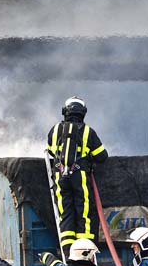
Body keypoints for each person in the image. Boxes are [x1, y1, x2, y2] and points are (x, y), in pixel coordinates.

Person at [46, 96, 109, 249]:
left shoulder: (54, 130)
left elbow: (51, 152)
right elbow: (102, 156)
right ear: (83, 113)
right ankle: (85, 248)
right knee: (84, 211)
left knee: (65, 212)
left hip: (60, 177)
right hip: (80, 177)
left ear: (65, 112)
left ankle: (68, 250)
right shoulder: (88, 132)